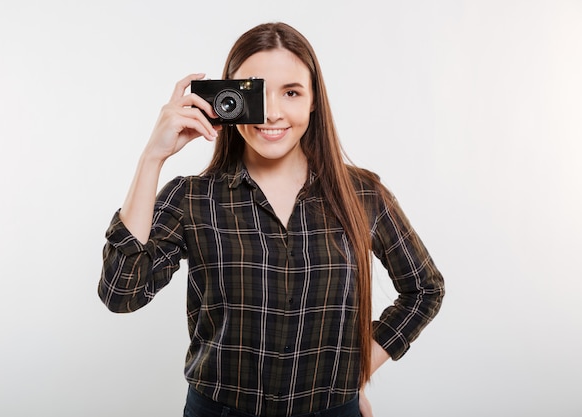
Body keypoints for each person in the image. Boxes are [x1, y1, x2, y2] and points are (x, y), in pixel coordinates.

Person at [98, 22, 445, 417]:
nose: (273, 113)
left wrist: (356, 372)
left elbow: (425, 289)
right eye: (256, 93)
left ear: (314, 100)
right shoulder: (193, 198)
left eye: (292, 92)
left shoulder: (363, 195)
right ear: (226, 101)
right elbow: (120, 294)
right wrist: (152, 159)